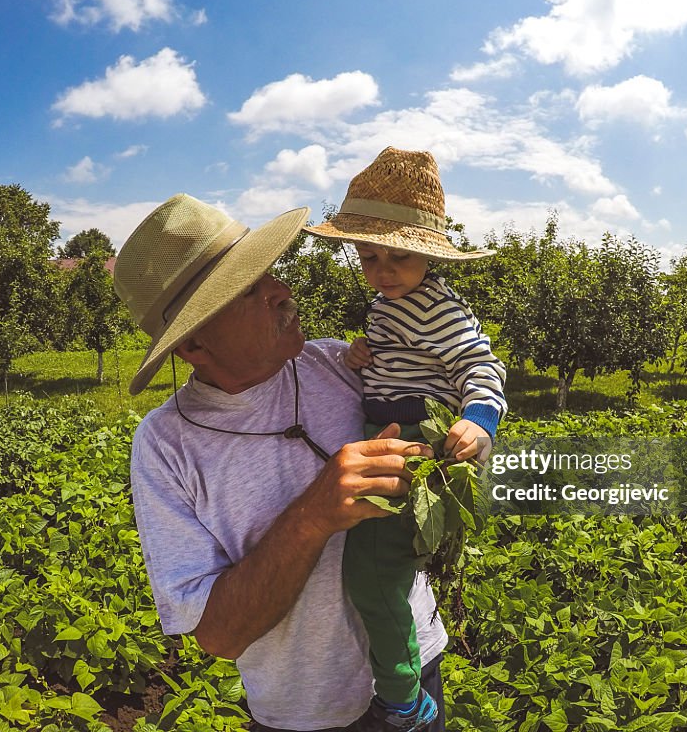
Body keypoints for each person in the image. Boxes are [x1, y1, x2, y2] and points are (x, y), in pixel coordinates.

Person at [111, 193, 448, 732]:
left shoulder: (341, 364)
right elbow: (218, 637)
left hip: (416, 664)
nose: (281, 292)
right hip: (305, 714)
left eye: (269, 272)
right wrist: (312, 516)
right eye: (248, 290)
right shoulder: (168, 445)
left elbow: (454, 421)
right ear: (193, 344)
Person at [304, 148, 506, 730]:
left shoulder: (437, 306)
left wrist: (480, 419)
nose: (383, 269)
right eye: (369, 257)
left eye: (397, 256)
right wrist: (362, 354)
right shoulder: (388, 304)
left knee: (371, 573)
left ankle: (402, 696)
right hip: (388, 431)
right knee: (379, 566)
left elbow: (480, 366)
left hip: (416, 443)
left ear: (426, 255)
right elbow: (392, 357)